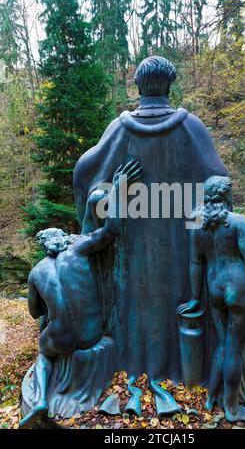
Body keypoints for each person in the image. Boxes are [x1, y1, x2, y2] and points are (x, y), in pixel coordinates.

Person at [73, 56, 229, 381]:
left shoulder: (119, 129)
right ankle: (182, 372)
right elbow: (218, 180)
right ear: (169, 85)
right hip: (182, 254)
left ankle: (132, 366)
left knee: (135, 307)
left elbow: (85, 173)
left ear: (139, 86)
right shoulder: (190, 127)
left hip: (130, 257)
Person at [19, 159, 142, 429]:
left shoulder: (36, 272)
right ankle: (44, 397)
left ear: (44, 247)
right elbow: (110, 230)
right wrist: (120, 189)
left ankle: (40, 397)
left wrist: (52, 307)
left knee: (44, 350)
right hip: (90, 334)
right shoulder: (79, 249)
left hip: (60, 338)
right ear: (63, 238)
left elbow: (35, 312)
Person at [177, 176, 245, 422]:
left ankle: (211, 399)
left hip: (214, 288)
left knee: (222, 345)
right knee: (234, 348)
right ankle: (232, 408)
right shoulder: (237, 222)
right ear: (227, 196)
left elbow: (195, 263)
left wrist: (194, 298)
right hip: (239, 287)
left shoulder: (198, 225)